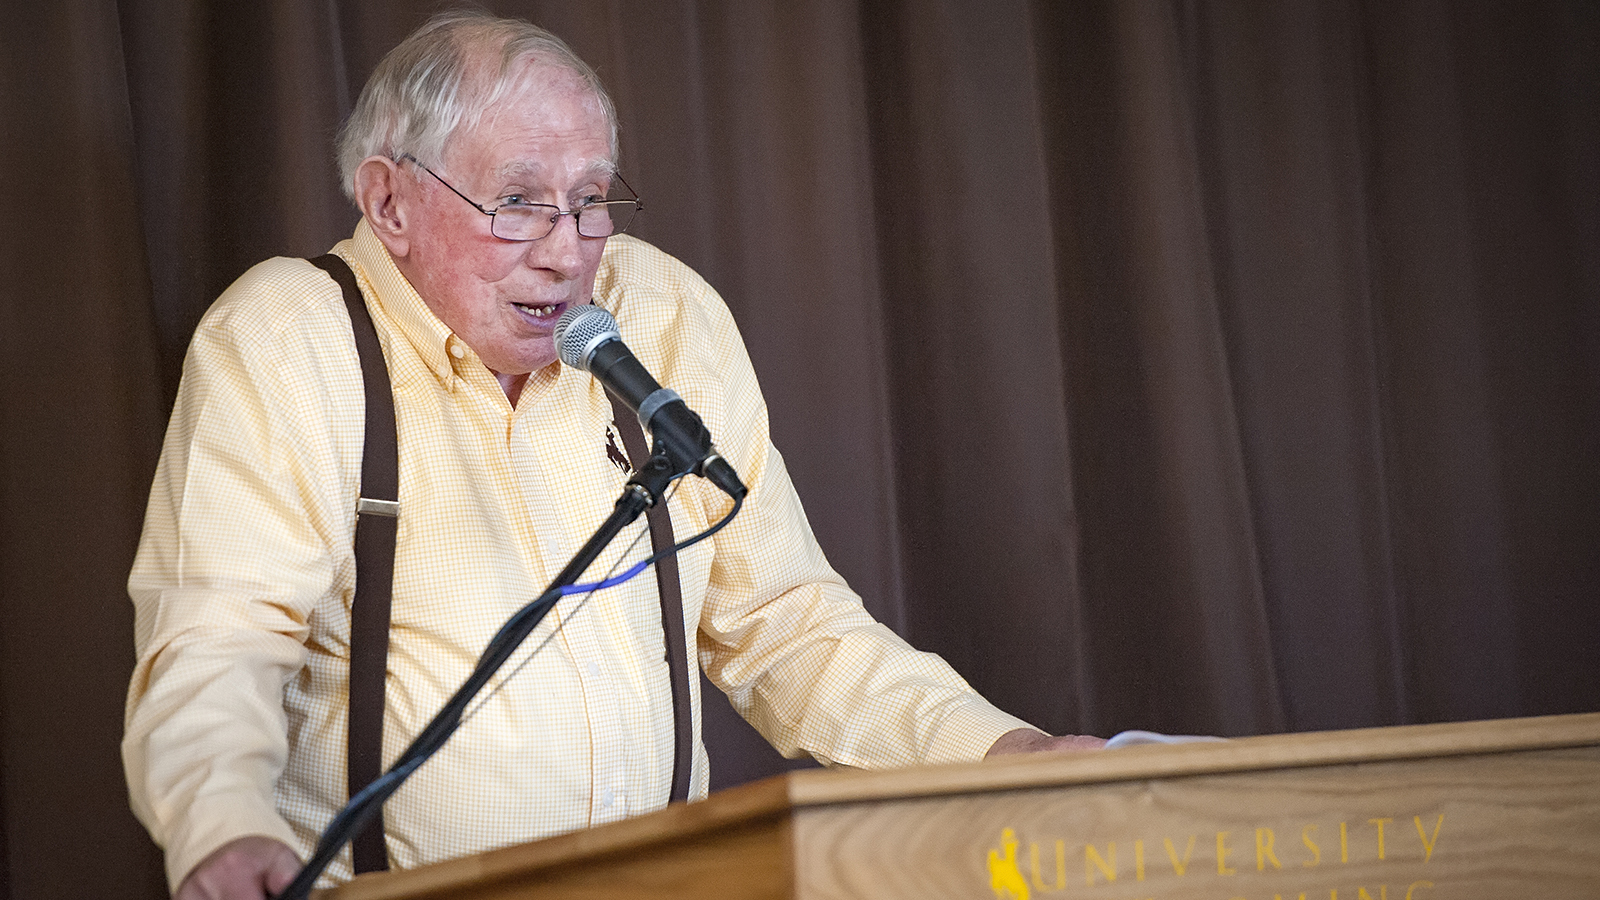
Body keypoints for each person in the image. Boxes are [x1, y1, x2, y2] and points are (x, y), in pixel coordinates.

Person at [122, 10, 1103, 900]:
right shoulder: (291, 338)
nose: (567, 251)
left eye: (590, 199)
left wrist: (997, 754)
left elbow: (784, 622)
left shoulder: (663, 316)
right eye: (518, 201)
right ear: (390, 204)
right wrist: (223, 827)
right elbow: (219, 639)